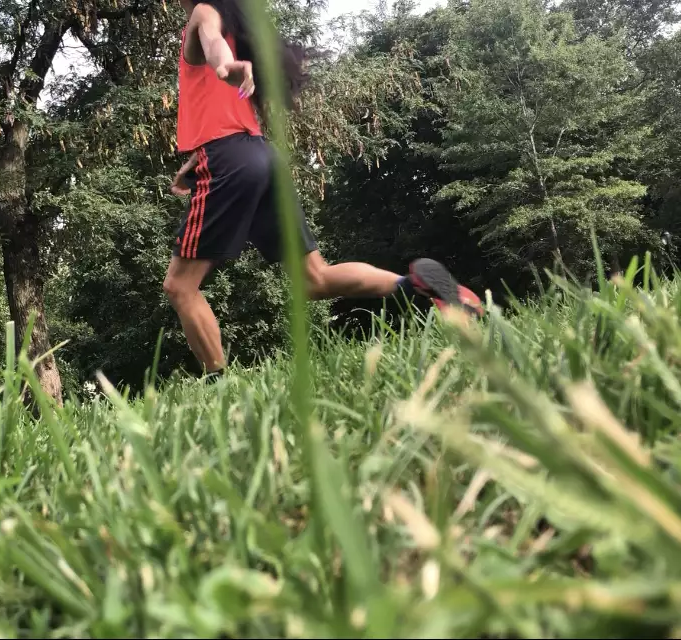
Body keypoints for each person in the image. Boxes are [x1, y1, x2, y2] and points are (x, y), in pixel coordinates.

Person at [165, 0, 482, 378]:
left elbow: (213, 41)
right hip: (259, 157)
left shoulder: (203, 13)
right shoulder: (235, 26)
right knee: (313, 279)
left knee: (180, 286)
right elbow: (219, 115)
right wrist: (197, 160)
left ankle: (218, 385)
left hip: (228, 160)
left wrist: (224, 65)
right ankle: (417, 287)